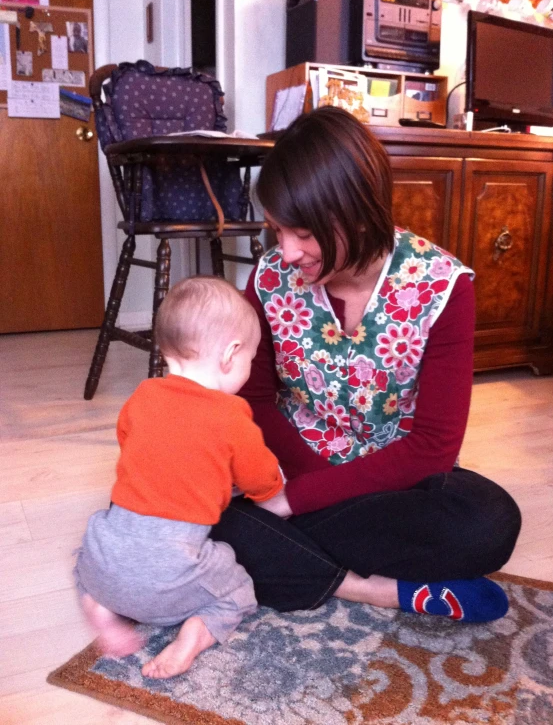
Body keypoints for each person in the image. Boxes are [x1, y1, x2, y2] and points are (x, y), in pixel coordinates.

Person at [210, 106, 521, 624]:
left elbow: (432, 448)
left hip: (390, 480)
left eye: (304, 234)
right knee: (185, 499)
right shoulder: (268, 281)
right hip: (283, 468)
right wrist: (300, 488)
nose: (286, 252)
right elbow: (255, 400)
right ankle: (376, 589)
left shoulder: (443, 286)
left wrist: (298, 504)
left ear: (356, 211)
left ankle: (282, 559)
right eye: (277, 231)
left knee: (490, 522)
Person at [74, 277, 284, 679]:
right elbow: (260, 478)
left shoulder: (143, 394)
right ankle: (194, 635)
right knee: (237, 589)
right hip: (170, 574)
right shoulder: (231, 415)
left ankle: (100, 607)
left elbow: (128, 441)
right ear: (231, 354)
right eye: (249, 361)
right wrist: (274, 494)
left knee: (88, 554)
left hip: (109, 558)